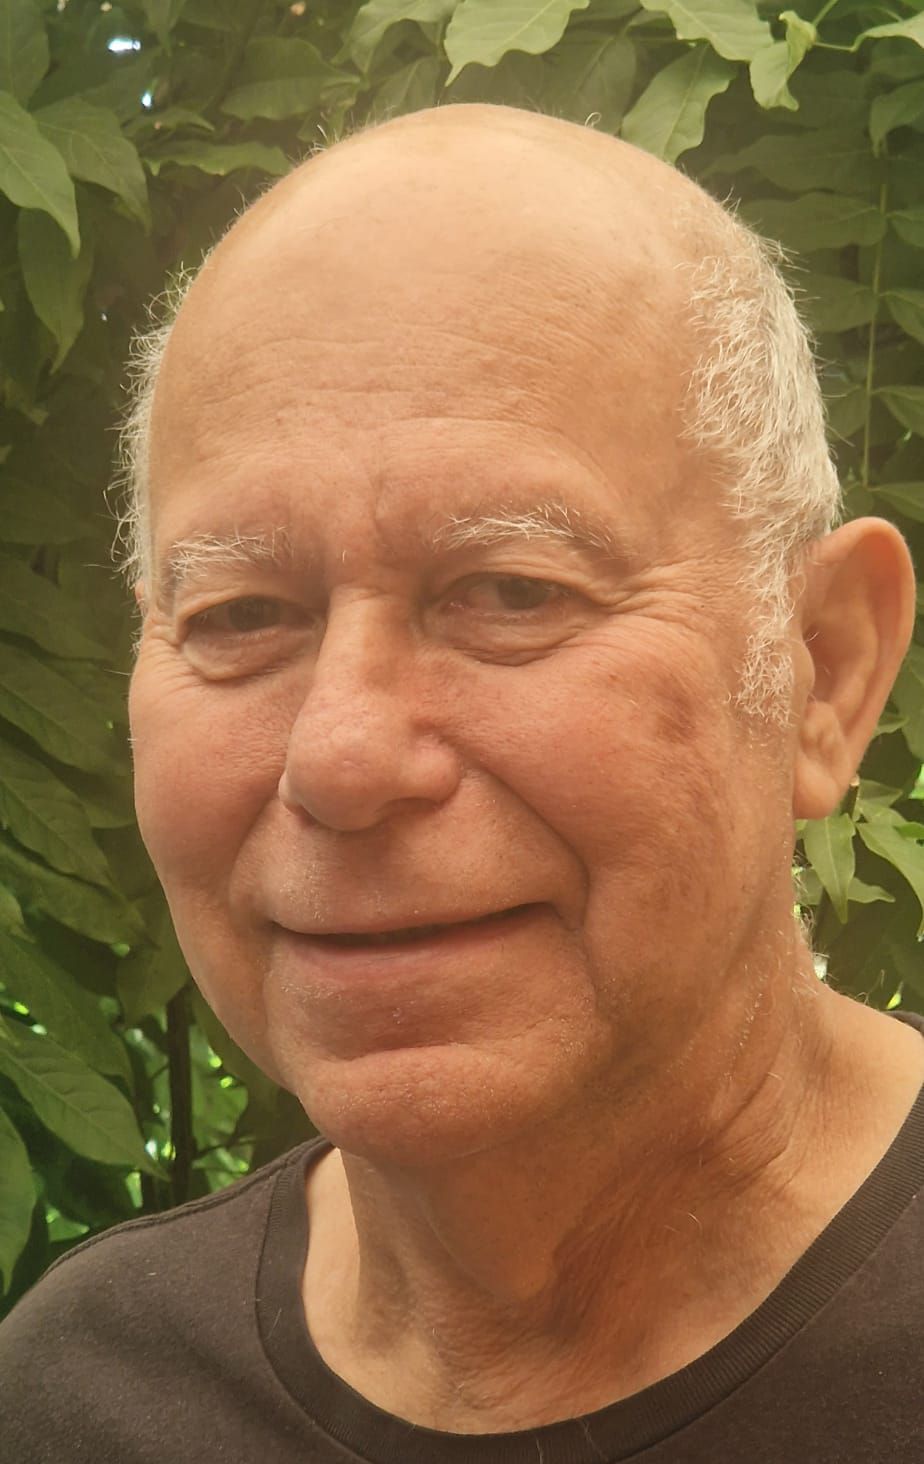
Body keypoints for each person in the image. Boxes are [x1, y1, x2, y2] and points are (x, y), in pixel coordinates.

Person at [1, 103, 922, 1463]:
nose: (341, 758)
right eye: (243, 616)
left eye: (511, 592)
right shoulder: (82, 1401)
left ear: (822, 668)